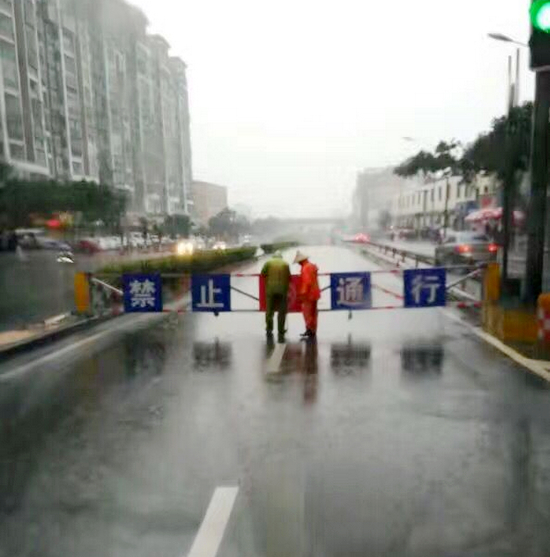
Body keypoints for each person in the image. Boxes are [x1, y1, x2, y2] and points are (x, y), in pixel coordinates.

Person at [261, 250, 291, 341]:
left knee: (269, 310)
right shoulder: (285, 264)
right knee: (282, 311)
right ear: (281, 257)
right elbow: (289, 276)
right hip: (282, 290)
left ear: (273, 256)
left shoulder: (268, 263)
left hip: (270, 290)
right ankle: (281, 330)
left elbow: (263, 273)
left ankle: (269, 329)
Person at [294, 251, 321, 339]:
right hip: (315, 292)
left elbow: (307, 282)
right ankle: (313, 330)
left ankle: (309, 329)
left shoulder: (305, 268)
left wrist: (302, 293)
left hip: (308, 294)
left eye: (298, 262)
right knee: (314, 313)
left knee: (307, 312)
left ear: (301, 261)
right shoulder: (312, 266)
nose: (298, 264)